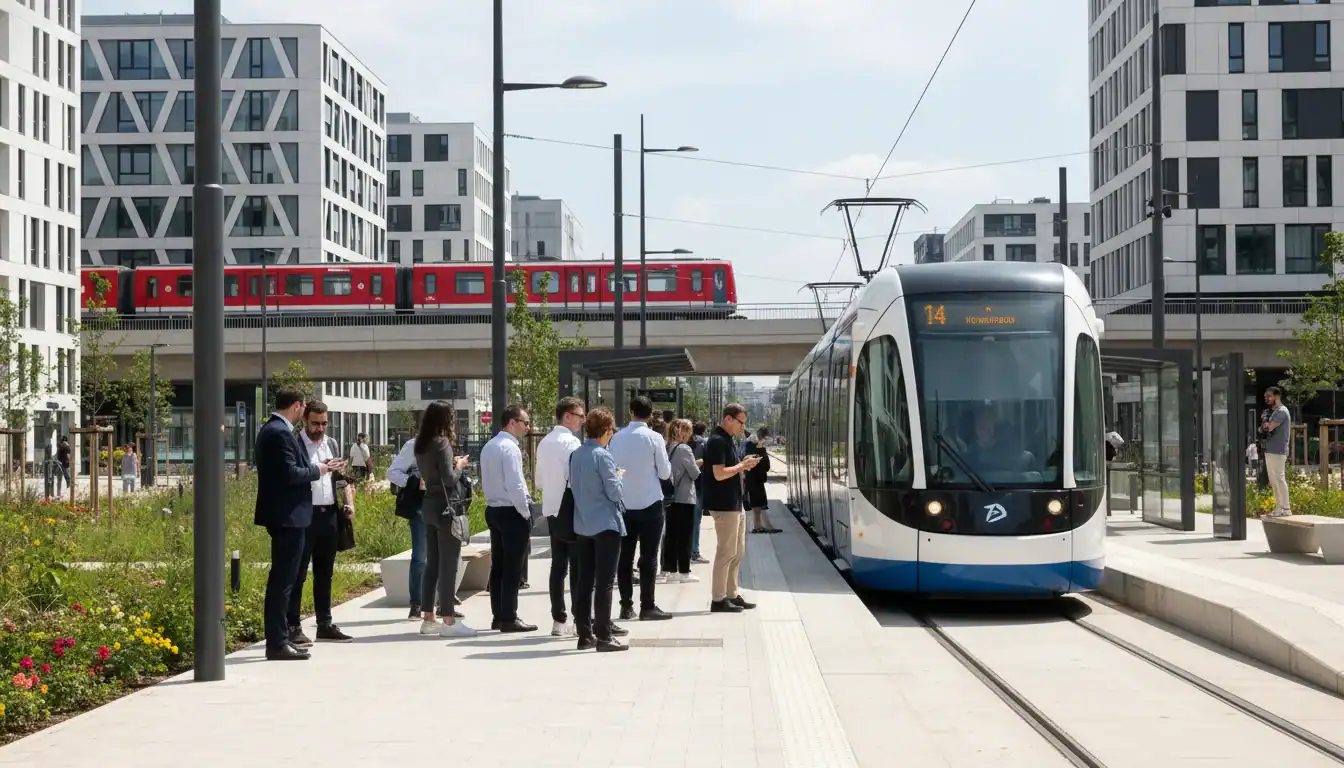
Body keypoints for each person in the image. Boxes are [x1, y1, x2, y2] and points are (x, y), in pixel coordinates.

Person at [254, 387, 339, 661]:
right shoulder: (279, 432)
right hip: (288, 516)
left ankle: (280, 639)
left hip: (288, 515)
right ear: (298, 406)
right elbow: (290, 474)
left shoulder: (273, 430)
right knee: (284, 581)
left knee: (285, 579)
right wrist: (320, 470)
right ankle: (278, 642)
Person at [287, 401, 356, 646]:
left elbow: (341, 479)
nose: (320, 428)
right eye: (315, 423)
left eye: (324, 423)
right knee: (298, 573)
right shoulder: (295, 443)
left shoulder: (332, 443)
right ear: (305, 420)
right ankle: (293, 625)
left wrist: (348, 503)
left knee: (325, 572)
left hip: (329, 513)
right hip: (305, 514)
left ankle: (324, 623)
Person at [569, 407, 629, 653]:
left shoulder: (576, 454)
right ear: (605, 431)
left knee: (585, 582)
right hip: (606, 524)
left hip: (582, 524)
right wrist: (618, 476)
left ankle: (585, 635)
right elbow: (614, 492)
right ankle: (604, 635)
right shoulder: (603, 456)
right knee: (605, 582)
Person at [414, 400, 477, 638]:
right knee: (449, 565)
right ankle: (449, 620)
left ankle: (428, 617)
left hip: (429, 505)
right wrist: (459, 465)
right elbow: (450, 479)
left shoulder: (421, 444)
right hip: (446, 508)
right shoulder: (442, 443)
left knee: (432, 564)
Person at [608, 396, 673, 622]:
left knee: (623, 558)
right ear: (650, 413)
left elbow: (612, 469)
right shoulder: (655, 438)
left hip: (623, 505)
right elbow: (665, 473)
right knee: (649, 557)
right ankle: (648, 606)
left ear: (630, 411)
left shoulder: (616, 438)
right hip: (650, 504)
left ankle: (626, 606)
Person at [480, 405, 537, 633]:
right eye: (524, 422)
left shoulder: (490, 446)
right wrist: (525, 511)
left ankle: (499, 616)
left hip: (493, 509)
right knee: (513, 568)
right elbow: (515, 484)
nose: (527, 427)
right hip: (511, 510)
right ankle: (509, 617)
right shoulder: (510, 448)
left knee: (499, 566)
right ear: (512, 423)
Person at [535, 396, 585, 637]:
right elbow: (577, 480)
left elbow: (540, 480)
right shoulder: (572, 444)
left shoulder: (543, 442)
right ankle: (579, 619)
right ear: (567, 416)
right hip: (571, 509)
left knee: (558, 566)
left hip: (552, 509)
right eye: (580, 416)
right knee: (577, 567)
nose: (582, 421)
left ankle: (558, 620)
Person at [704, 404, 759, 614]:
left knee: (737, 552)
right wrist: (742, 467)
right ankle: (718, 600)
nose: (743, 427)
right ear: (729, 419)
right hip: (724, 504)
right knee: (725, 552)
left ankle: (732, 594)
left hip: (734, 503)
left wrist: (743, 462)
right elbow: (719, 473)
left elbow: (730, 467)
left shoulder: (728, 440)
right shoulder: (717, 441)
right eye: (741, 422)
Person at [387, 433, 431, 619]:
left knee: (444, 555)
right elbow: (392, 473)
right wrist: (415, 482)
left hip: (444, 505)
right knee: (420, 556)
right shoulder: (414, 445)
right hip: (421, 507)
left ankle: (445, 601)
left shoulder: (445, 444)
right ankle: (417, 603)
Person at [662, 419, 700, 582]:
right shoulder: (684, 449)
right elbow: (694, 473)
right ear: (681, 431)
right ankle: (684, 571)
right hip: (685, 497)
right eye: (689, 430)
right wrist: (699, 464)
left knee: (671, 534)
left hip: (670, 497)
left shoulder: (668, 447)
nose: (690, 434)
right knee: (685, 535)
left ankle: (669, 570)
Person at [1261, 386, 1292, 517]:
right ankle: (1279, 506)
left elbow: (1268, 427)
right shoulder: (1273, 412)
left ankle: (1286, 508)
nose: (1266, 399)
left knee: (1279, 477)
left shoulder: (1282, 411)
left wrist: (1265, 426)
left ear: (1277, 396)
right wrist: (1264, 426)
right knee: (1273, 479)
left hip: (1278, 450)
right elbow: (1263, 427)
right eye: (1265, 397)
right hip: (1270, 449)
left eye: (1269, 396)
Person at [741, 427, 779, 534]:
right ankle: (759, 526)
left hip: (753, 477)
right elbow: (764, 465)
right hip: (755, 478)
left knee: (758, 503)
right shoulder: (754, 447)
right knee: (757, 503)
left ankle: (761, 526)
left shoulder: (749, 445)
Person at [689, 422, 709, 564]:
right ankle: (694, 552)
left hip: (683, 488)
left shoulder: (680, 444)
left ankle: (686, 551)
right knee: (696, 521)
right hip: (698, 486)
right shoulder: (703, 444)